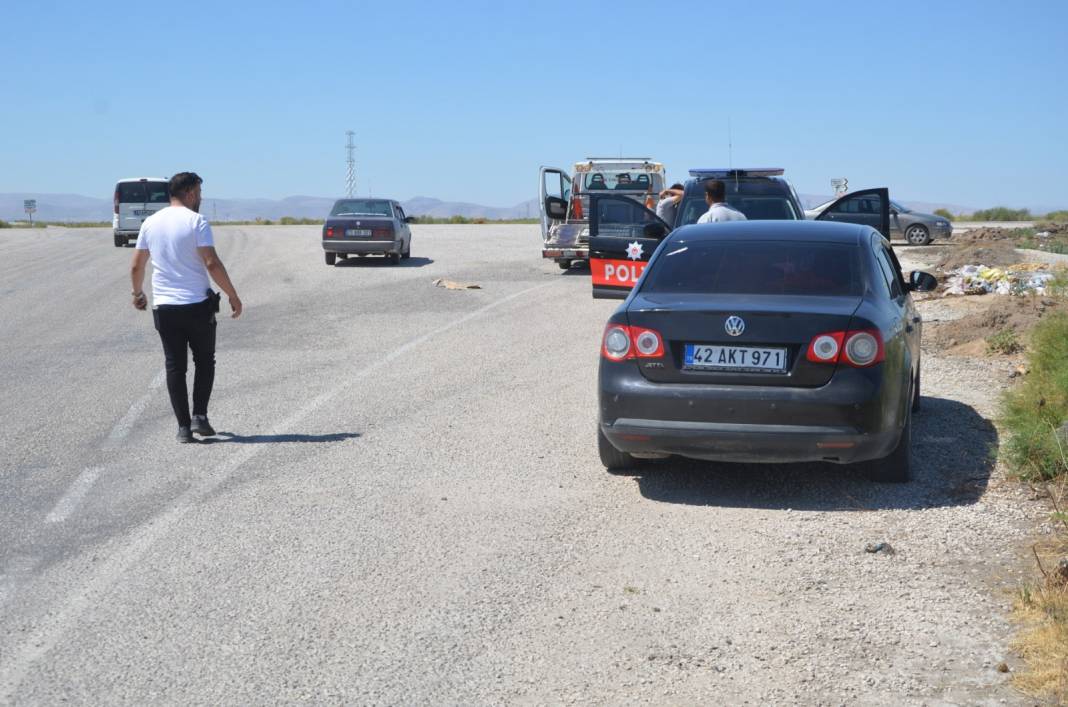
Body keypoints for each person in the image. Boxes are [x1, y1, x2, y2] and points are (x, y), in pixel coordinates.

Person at [130, 172, 243, 443]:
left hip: (165, 308)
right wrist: (232, 294)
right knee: (204, 361)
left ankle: (183, 427)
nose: (201, 198)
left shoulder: (150, 223)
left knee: (174, 366)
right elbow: (211, 263)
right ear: (190, 192)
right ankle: (200, 417)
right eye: (200, 193)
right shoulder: (197, 222)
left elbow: (137, 265)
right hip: (196, 306)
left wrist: (137, 293)